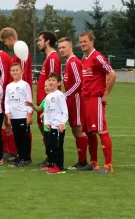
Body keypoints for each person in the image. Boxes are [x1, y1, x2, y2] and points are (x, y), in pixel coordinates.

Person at [78, 31, 116, 174]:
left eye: (85, 41)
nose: (82, 44)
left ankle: (108, 165)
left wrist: (105, 94)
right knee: (89, 132)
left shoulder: (98, 57)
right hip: (86, 99)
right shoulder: (84, 58)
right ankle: (94, 163)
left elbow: (112, 74)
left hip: (95, 98)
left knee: (101, 130)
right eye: (81, 42)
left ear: (92, 41)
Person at [57, 37, 89, 170]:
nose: (61, 50)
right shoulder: (69, 62)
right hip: (71, 99)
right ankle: (82, 161)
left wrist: (66, 94)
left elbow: (79, 82)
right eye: (59, 48)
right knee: (76, 129)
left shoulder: (74, 62)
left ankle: (83, 162)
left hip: (76, 99)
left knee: (78, 129)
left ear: (70, 47)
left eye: (64, 47)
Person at [35, 31, 61, 167]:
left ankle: (52, 157)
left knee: (48, 127)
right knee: (43, 127)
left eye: (40, 40)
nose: (38, 42)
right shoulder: (49, 58)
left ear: (47, 42)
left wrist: (49, 102)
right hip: (44, 101)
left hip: (48, 102)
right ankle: (50, 155)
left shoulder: (52, 58)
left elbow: (53, 80)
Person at [5, 63, 33, 167]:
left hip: (23, 115)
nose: (15, 72)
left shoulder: (25, 85)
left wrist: (29, 114)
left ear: (22, 71)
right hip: (14, 116)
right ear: (10, 72)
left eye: (17, 70)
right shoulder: (9, 86)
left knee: (24, 138)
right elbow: (7, 101)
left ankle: (25, 158)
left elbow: (29, 100)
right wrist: (8, 113)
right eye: (13, 70)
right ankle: (20, 156)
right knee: (16, 137)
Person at [44, 73, 69, 174]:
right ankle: (53, 164)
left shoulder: (60, 95)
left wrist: (62, 123)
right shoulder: (49, 96)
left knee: (57, 147)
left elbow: (65, 111)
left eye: (53, 80)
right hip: (51, 126)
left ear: (59, 83)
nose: (51, 82)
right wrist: (47, 122)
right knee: (51, 146)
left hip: (58, 126)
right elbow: (46, 111)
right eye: (49, 80)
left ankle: (59, 167)